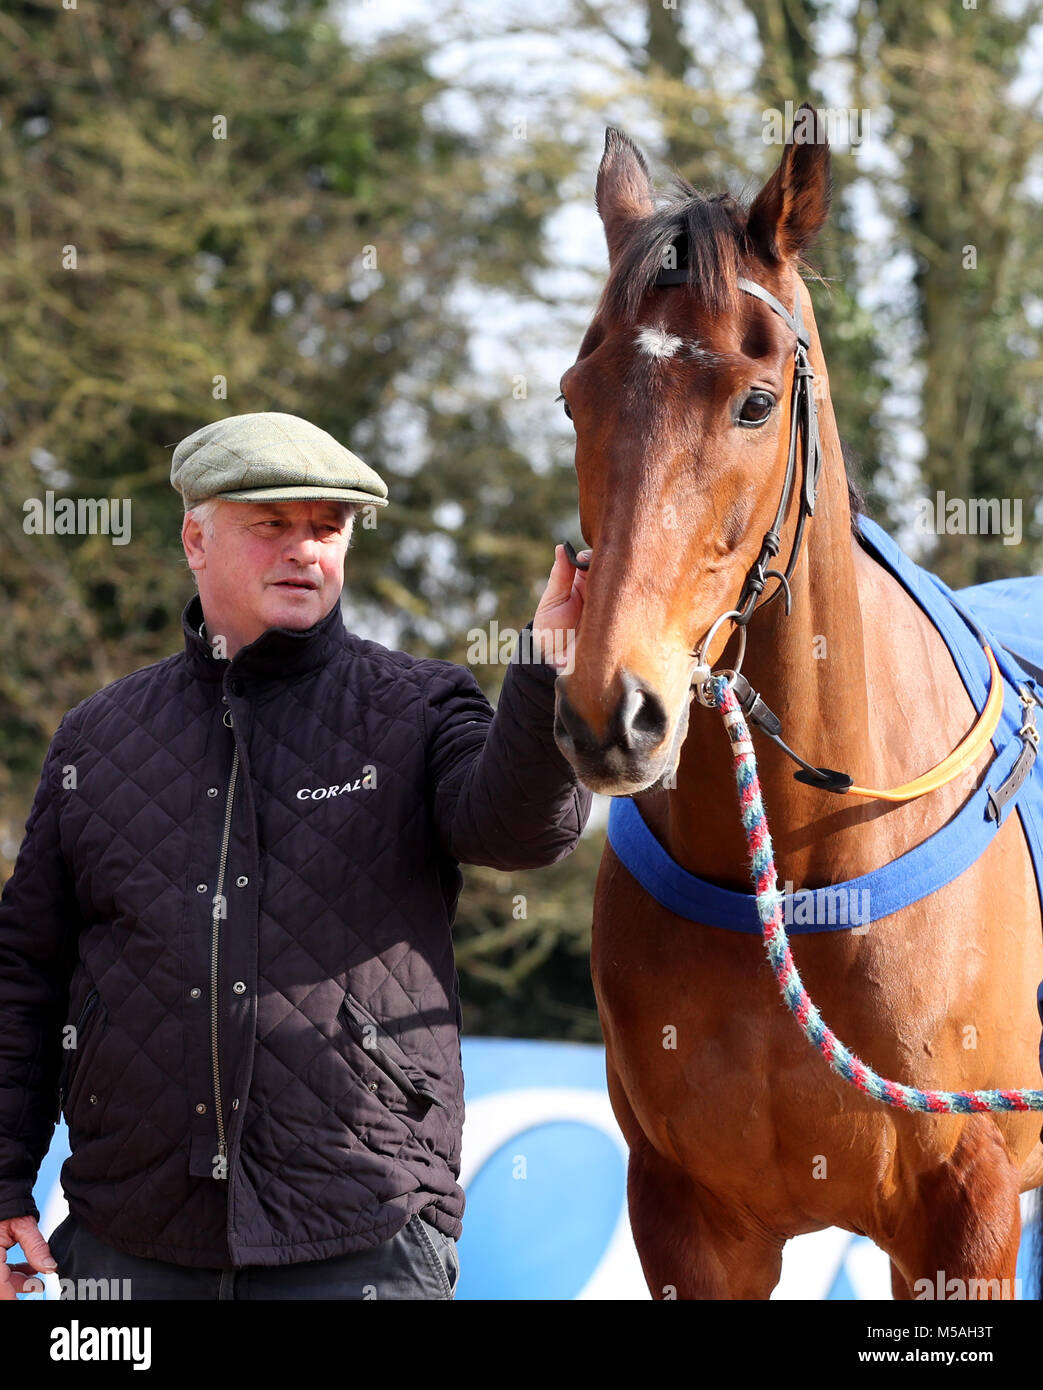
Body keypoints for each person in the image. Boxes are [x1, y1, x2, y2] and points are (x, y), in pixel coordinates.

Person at [0, 411, 593, 1301]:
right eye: (271, 524)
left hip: (365, 1228)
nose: (304, 550)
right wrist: (5, 1179)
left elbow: (520, 831)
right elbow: (25, 972)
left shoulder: (421, 705)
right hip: (126, 1238)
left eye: (327, 528)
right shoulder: (97, 735)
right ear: (195, 538)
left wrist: (548, 668)